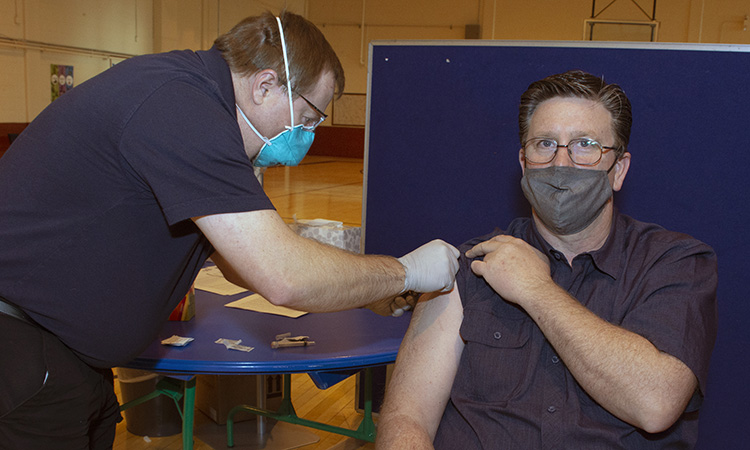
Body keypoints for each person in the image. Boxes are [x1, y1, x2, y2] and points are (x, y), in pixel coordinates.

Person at [0, 11, 460, 449]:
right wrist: (404, 273)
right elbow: (282, 275)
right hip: (23, 353)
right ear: (265, 84)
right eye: (310, 116)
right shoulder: (181, 107)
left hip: (65, 359)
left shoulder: (192, 101)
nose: (309, 134)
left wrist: (368, 291)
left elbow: (241, 263)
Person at [376, 70, 718, 449]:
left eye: (584, 145)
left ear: (618, 170)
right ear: (524, 164)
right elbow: (405, 418)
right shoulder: (469, 268)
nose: (561, 163)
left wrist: (537, 290)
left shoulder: (675, 264)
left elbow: (656, 404)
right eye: (545, 144)